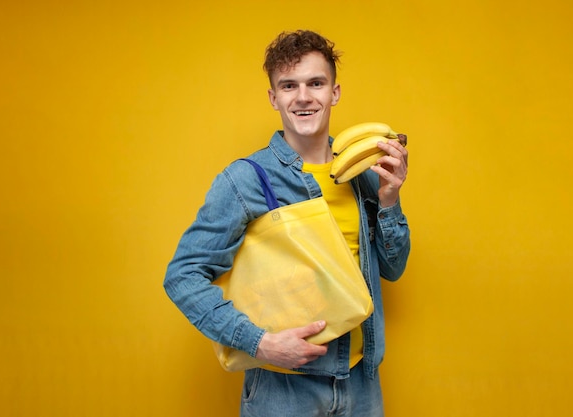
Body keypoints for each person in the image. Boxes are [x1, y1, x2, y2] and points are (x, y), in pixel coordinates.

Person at [164, 29, 411, 417]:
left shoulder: (362, 175)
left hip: (363, 385)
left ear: (335, 92)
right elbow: (183, 275)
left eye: (316, 83)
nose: (303, 97)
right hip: (283, 389)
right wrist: (259, 343)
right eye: (288, 85)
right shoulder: (245, 179)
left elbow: (393, 270)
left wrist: (389, 200)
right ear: (273, 97)